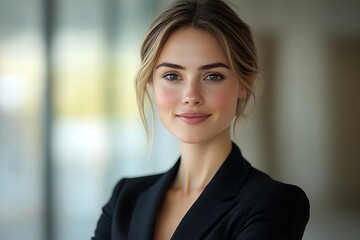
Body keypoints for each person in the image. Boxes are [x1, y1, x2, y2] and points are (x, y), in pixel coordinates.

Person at [92, 0, 310, 239]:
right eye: (172, 75)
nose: (191, 96)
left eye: (213, 76)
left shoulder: (275, 203)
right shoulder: (126, 198)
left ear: (244, 84)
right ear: (151, 83)